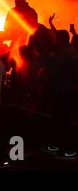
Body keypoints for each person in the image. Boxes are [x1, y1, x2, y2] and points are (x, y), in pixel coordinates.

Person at [42, 30, 78, 160]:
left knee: (63, 121)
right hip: (62, 91)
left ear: (63, 40)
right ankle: (58, 147)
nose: (55, 41)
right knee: (59, 121)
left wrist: (49, 57)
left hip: (63, 92)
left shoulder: (67, 54)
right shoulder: (69, 52)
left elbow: (51, 66)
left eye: (56, 39)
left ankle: (68, 150)